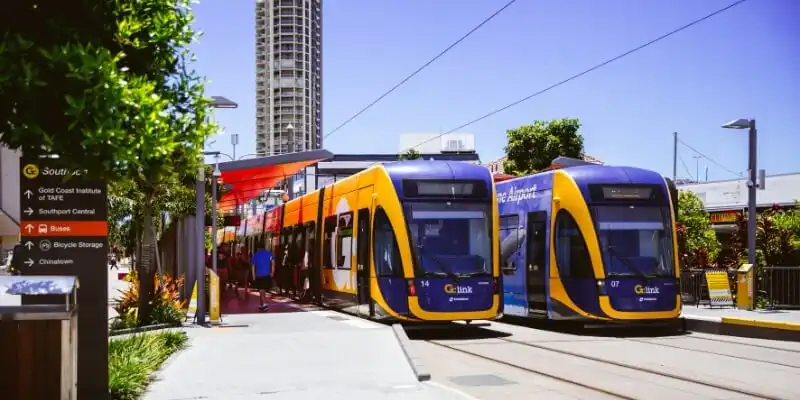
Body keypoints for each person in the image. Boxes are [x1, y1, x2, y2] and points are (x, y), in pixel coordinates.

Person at [251, 245, 273, 312]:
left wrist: (253, 276)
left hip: (259, 275)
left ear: (258, 248)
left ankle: (264, 304)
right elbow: (273, 263)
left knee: (261, 290)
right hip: (267, 274)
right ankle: (261, 305)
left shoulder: (256, 254)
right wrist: (272, 272)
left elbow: (253, 266)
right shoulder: (269, 253)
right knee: (262, 290)